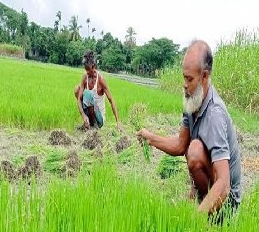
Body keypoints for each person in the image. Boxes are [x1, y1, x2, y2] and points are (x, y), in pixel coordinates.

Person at [136, 40, 242, 215]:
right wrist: (150, 138)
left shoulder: (214, 115)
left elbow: (224, 184)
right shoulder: (192, 100)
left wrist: (193, 221)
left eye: (190, 79)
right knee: (191, 147)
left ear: (205, 76)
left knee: (195, 149)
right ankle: (201, 203)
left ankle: (210, 216)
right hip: (213, 185)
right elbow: (180, 145)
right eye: (183, 77)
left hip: (227, 200)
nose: (184, 84)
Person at [74, 50, 123, 132]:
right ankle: (87, 122)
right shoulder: (85, 76)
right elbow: (79, 98)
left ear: (94, 66)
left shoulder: (100, 79)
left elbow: (111, 100)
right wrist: (83, 115)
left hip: (99, 118)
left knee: (88, 94)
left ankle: (94, 124)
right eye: (86, 70)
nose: (87, 72)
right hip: (89, 113)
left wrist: (118, 122)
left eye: (89, 70)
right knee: (77, 89)